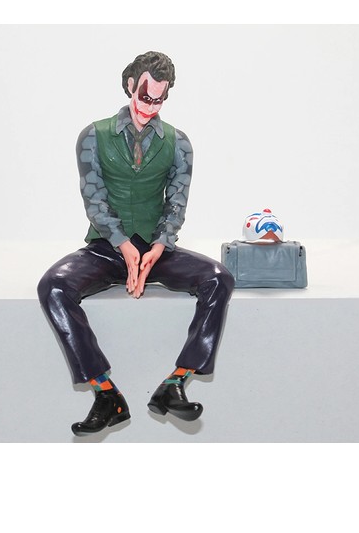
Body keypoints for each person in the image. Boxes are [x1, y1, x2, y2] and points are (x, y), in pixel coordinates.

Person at [37, 51, 234, 436]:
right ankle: (105, 393)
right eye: (145, 97)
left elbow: (176, 202)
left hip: (156, 251)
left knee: (219, 278)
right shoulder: (94, 135)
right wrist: (123, 245)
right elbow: (94, 198)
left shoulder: (178, 142)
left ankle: (175, 383)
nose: (150, 106)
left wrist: (159, 246)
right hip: (105, 249)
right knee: (53, 286)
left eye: (159, 99)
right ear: (130, 85)